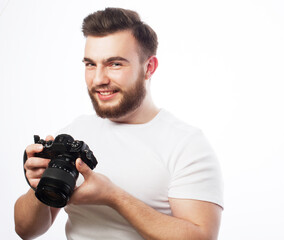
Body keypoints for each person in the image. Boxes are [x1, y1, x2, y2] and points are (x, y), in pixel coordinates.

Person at [14, 7, 224, 240]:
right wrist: (38, 187)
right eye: (91, 64)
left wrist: (115, 197)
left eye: (115, 64)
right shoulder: (73, 133)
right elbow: (26, 230)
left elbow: (201, 237)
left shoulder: (186, 144)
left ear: (149, 68)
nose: (98, 79)